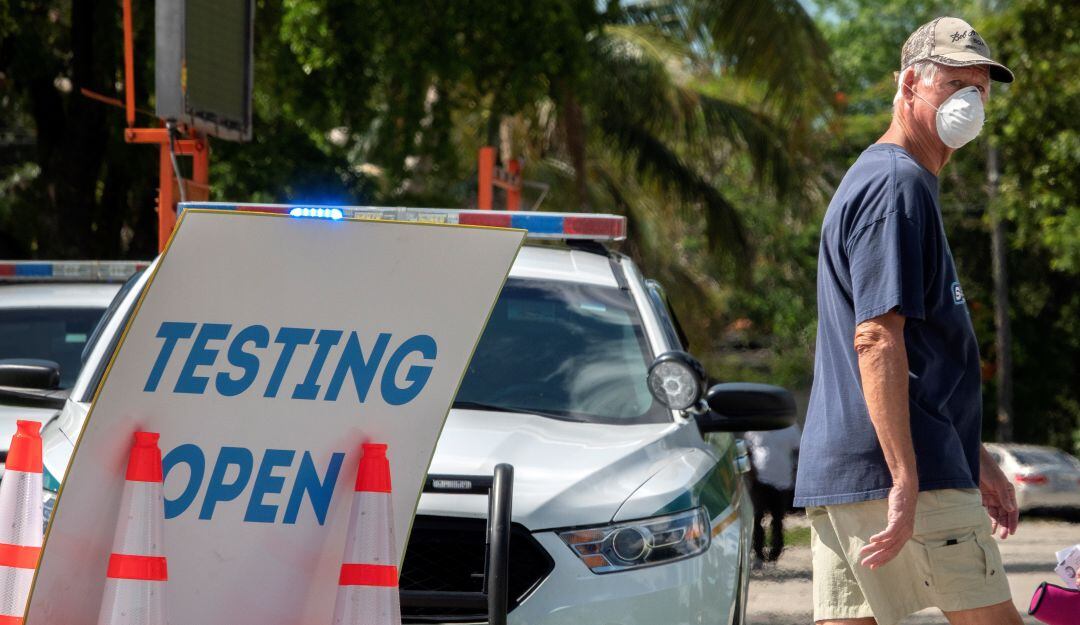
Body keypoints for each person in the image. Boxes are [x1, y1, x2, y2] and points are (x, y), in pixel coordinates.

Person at [793, 17, 1024, 625]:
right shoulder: (897, 186)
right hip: (905, 472)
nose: (969, 102)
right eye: (953, 84)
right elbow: (875, 338)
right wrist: (904, 478)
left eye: (979, 89)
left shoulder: (892, 180)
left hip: (857, 471)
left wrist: (973, 453)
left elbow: (920, 353)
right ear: (908, 86)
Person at [745, 424, 801, 564]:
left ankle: (775, 552)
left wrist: (796, 471)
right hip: (760, 480)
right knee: (757, 517)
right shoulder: (755, 427)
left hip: (783, 481)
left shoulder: (790, 427)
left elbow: (798, 451)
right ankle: (758, 553)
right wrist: (751, 471)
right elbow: (747, 450)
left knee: (778, 519)